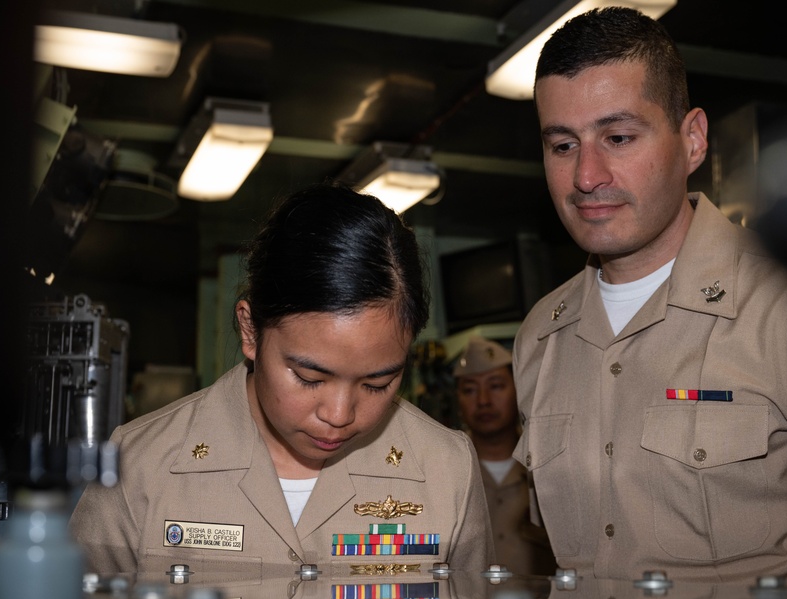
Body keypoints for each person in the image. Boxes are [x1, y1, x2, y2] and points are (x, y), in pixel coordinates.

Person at [513, 6, 787, 594]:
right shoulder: (539, 336)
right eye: (563, 144)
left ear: (692, 139)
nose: (587, 175)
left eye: (618, 137)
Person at [69, 183, 495, 577]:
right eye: (309, 377)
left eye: (377, 384)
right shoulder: (141, 465)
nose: (339, 415)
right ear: (250, 330)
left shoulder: (444, 469)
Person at [452, 336, 556, 576]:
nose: (484, 401)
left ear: (518, 391)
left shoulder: (546, 465)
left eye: (496, 386)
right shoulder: (445, 471)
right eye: (469, 390)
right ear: (457, 399)